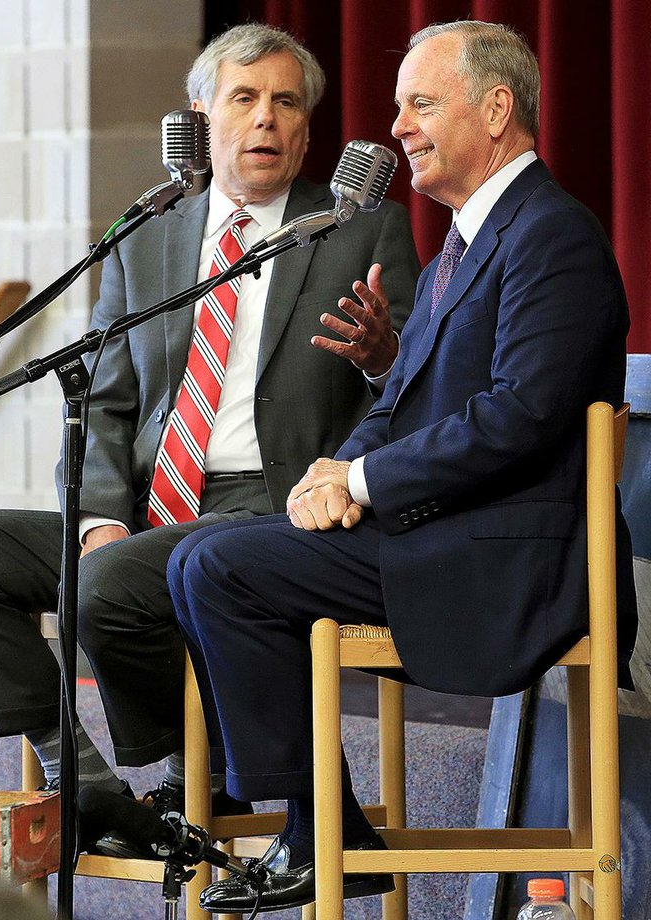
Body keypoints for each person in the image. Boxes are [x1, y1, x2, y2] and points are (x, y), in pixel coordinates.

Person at [0, 22, 420, 854]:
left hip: (273, 508)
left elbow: (409, 394)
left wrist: (380, 358)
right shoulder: (150, 232)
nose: (266, 121)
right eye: (244, 99)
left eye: (287, 103)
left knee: (109, 583)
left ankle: (193, 771)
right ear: (202, 117)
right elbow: (105, 401)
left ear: (307, 128)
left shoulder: (358, 229)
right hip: (150, 508)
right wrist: (101, 512)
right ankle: (89, 784)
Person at [167, 20, 638, 913]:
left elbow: (519, 417)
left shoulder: (552, 237)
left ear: (496, 110)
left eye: (422, 104)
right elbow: (395, 405)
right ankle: (317, 823)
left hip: (506, 564)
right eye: (399, 107)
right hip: (435, 536)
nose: (400, 129)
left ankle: (315, 828)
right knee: (204, 554)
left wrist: (368, 484)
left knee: (221, 565)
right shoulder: (468, 238)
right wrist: (330, 472)